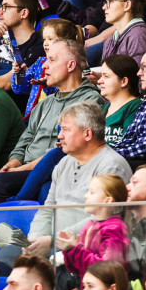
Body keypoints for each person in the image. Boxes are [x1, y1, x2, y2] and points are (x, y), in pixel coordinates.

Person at [0, 39, 103, 205]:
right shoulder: (45, 103)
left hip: (50, 169)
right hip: (22, 168)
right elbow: (25, 140)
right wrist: (12, 163)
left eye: (52, 60)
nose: (44, 66)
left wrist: (19, 170)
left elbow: (63, 152)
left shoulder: (90, 101)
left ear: (71, 66)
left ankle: (16, 229)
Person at [25, 103, 132, 256]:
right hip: (53, 249)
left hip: (88, 253)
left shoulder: (112, 166)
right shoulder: (64, 163)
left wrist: (53, 241)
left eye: (65, 129)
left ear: (87, 134)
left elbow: (102, 219)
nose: (60, 136)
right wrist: (35, 240)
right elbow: (48, 209)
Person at [55, 174, 130, 278]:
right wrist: (68, 250)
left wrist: (74, 249)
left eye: (92, 192)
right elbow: (77, 269)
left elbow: (108, 269)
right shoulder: (89, 226)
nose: (86, 196)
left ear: (107, 201)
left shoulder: (115, 229)